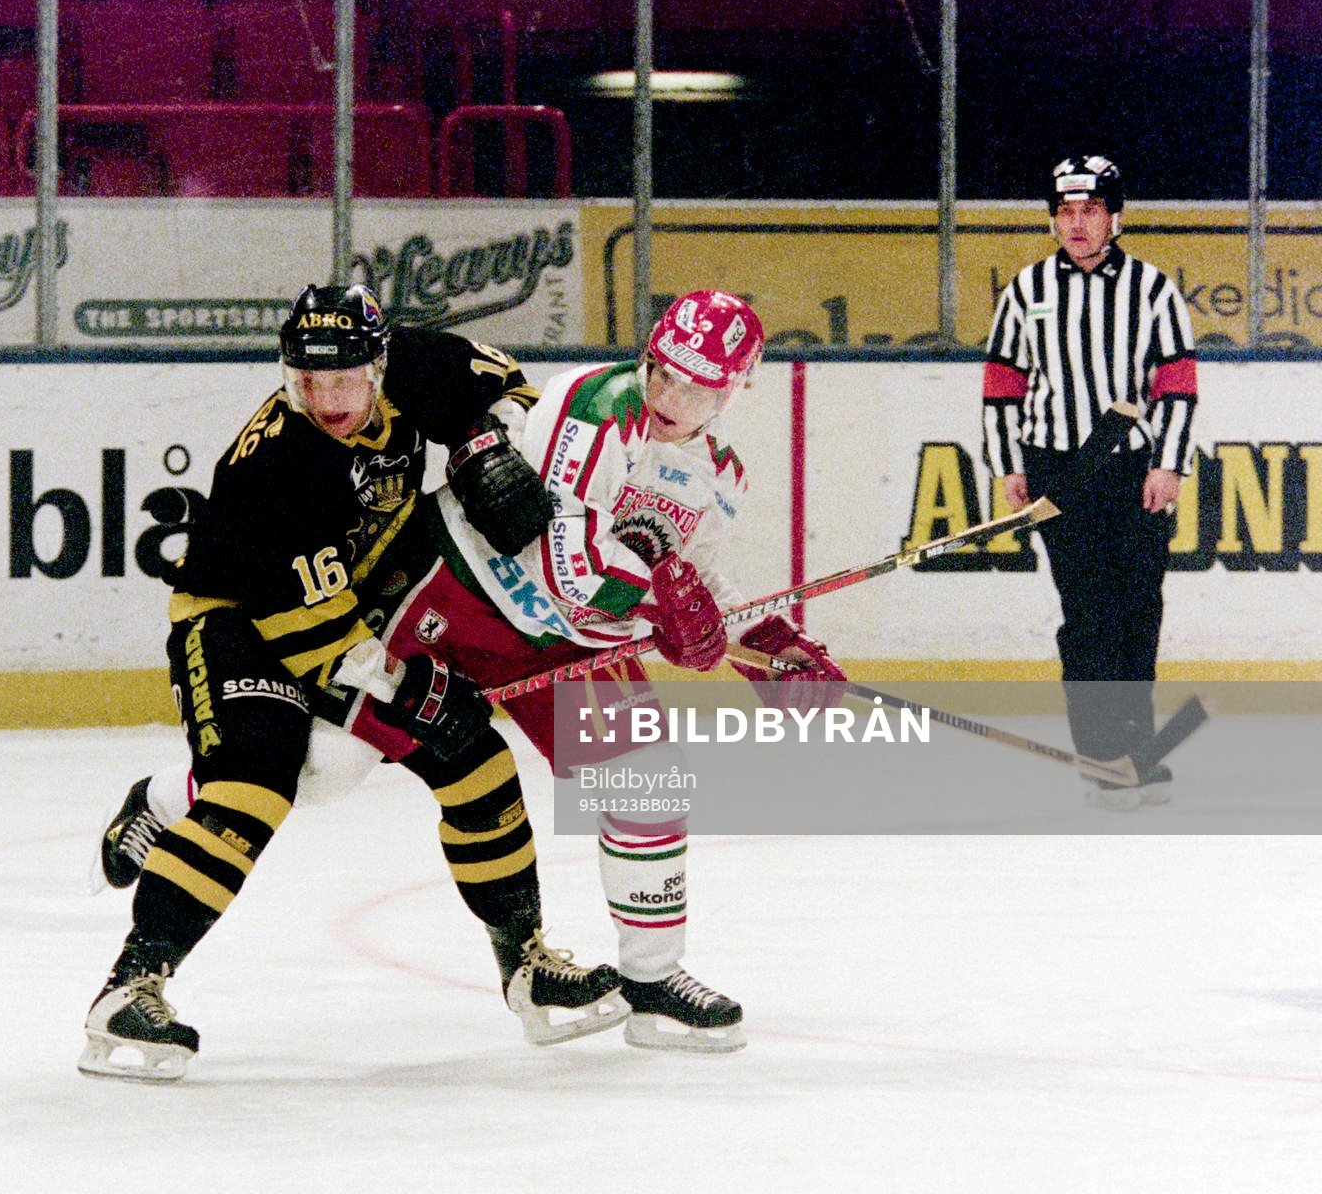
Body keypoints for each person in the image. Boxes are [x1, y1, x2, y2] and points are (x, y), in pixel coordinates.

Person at [103, 289, 843, 1054]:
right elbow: (566, 564)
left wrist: (769, 645)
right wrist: (665, 609)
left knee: (641, 780)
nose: (672, 397)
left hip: (560, 641)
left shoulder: (719, 476)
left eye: (698, 389)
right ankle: (172, 798)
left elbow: (696, 580)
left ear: (734, 392)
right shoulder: (595, 405)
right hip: (447, 593)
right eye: (665, 373)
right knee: (322, 770)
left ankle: (644, 981)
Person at [81, 284, 623, 1082]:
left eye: (343, 380)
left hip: (357, 605)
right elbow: (307, 633)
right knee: (257, 787)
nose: (328, 400)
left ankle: (528, 966)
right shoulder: (273, 463)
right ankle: (129, 986)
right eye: (310, 382)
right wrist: (408, 689)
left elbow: (520, 395)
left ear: (378, 364)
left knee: (475, 763)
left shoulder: (418, 363)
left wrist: (486, 442)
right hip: (239, 625)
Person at [982, 153, 1197, 808]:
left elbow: (1177, 385)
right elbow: (1002, 387)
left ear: (1116, 218)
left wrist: (1169, 463)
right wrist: (1010, 465)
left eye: (1091, 210)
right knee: (1089, 613)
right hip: (1060, 470)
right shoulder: (1027, 292)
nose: (1077, 223)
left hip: (1132, 470)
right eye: (1066, 211)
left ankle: (1136, 750)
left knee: (1138, 610)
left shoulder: (1152, 290)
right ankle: (1104, 758)